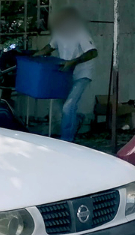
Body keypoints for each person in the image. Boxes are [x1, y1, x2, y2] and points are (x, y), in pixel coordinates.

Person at [35, 7, 98, 142]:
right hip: (66, 74)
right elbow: (49, 47)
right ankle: (78, 119)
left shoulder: (80, 32)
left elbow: (93, 52)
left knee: (68, 106)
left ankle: (66, 142)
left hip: (82, 74)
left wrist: (73, 62)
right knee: (63, 107)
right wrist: (35, 55)